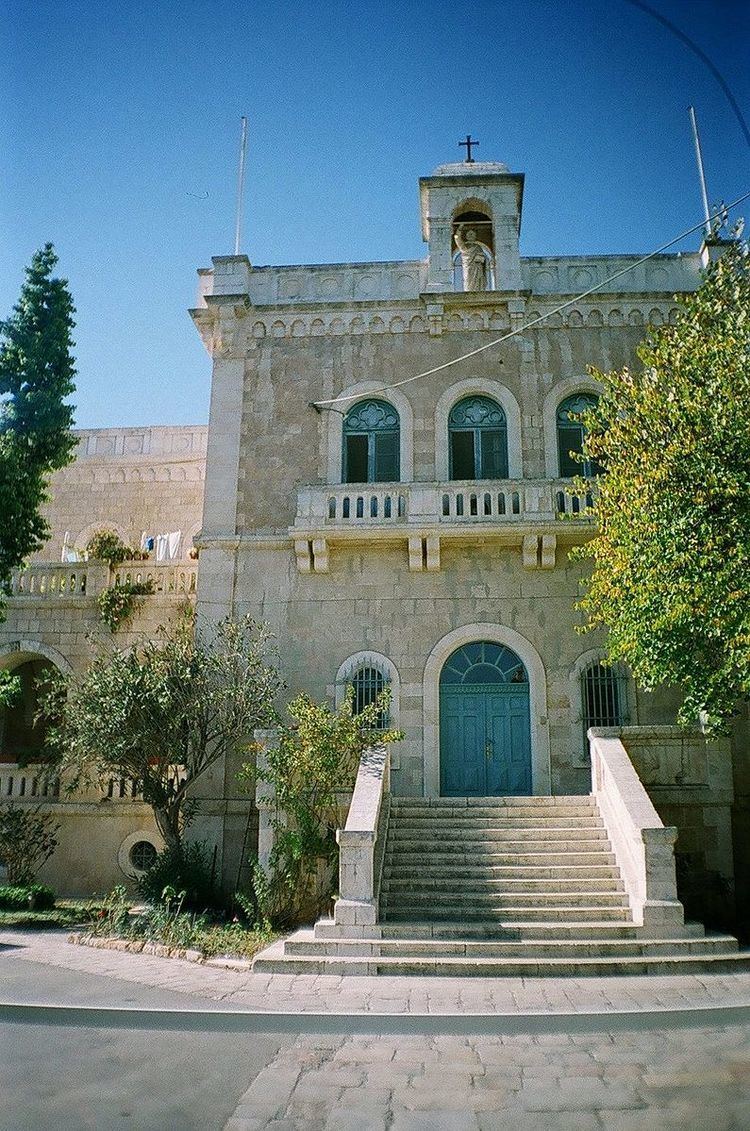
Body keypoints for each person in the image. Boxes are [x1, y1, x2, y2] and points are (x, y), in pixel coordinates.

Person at [454, 223, 490, 291]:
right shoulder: (464, 246)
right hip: (468, 267)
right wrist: (459, 229)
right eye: (469, 234)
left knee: (478, 283)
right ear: (466, 236)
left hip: (477, 268)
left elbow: (483, 259)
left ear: (475, 236)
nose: (471, 236)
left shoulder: (478, 247)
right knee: (468, 280)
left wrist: (481, 259)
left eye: (472, 234)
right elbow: (457, 239)